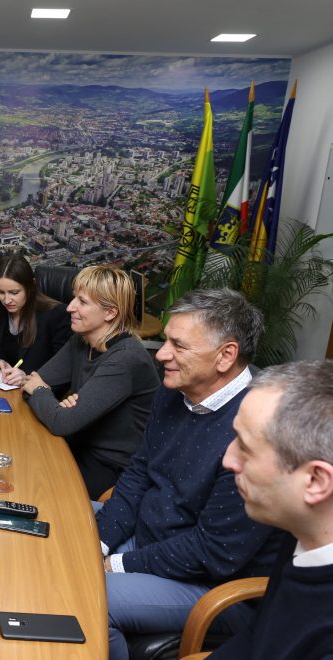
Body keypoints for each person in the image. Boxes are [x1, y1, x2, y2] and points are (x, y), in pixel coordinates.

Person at [95, 289, 282, 660]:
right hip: (149, 540)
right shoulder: (176, 387)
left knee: (91, 599)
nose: (162, 354)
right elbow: (139, 471)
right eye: (166, 340)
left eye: (178, 345)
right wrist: (100, 541)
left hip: (210, 582)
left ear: (226, 355)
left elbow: (213, 552)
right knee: (61, 525)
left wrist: (114, 564)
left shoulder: (257, 428)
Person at [210, 360, 333, 659]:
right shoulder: (301, 531)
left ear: (315, 481)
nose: (227, 460)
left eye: (244, 447)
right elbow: (257, 636)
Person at [22, 264, 159, 498]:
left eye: (82, 302)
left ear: (110, 313)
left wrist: (47, 397)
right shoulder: (81, 340)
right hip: (76, 444)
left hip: (111, 469)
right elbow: (31, 384)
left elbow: (59, 420)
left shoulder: (126, 359)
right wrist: (53, 403)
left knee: (32, 487)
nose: (70, 307)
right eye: (74, 297)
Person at [0, 254, 71, 386]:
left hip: (36, 394)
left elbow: (62, 371)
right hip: (4, 389)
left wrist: (27, 377)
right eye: (1, 292)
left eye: (14, 292)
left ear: (31, 286)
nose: (7, 300)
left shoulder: (57, 315)